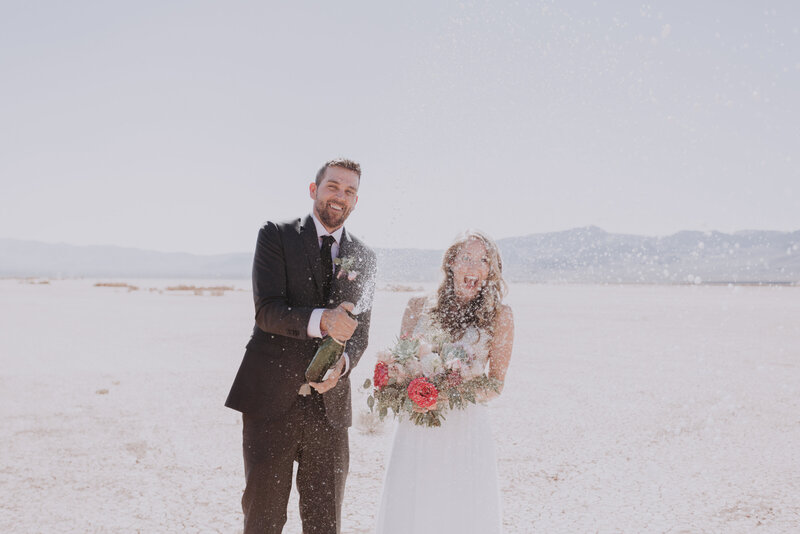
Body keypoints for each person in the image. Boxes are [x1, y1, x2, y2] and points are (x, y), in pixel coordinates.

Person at [225, 158, 376, 534]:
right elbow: (268, 311)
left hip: (329, 410)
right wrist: (322, 319)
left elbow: (361, 333)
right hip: (271, 403)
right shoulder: (276, 235)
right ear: (314, 190)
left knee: (325, 522)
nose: (340, 196)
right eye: (333, 186)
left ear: (357, 201)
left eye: (350, 191)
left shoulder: (367, 258)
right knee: (264, 518)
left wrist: (341, 367)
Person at [375, 230, 514, 534]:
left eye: (483, 260)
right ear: (451, 263)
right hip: (418, 426)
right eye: (466, 258)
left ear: (491, 271)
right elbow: (403, 360)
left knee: (460, 509)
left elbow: (495, 385)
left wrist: (446, 394)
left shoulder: (499, 317)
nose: (474, 267)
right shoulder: (417, 306)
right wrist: (401, 380)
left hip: (466, 430)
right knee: (415, 504)